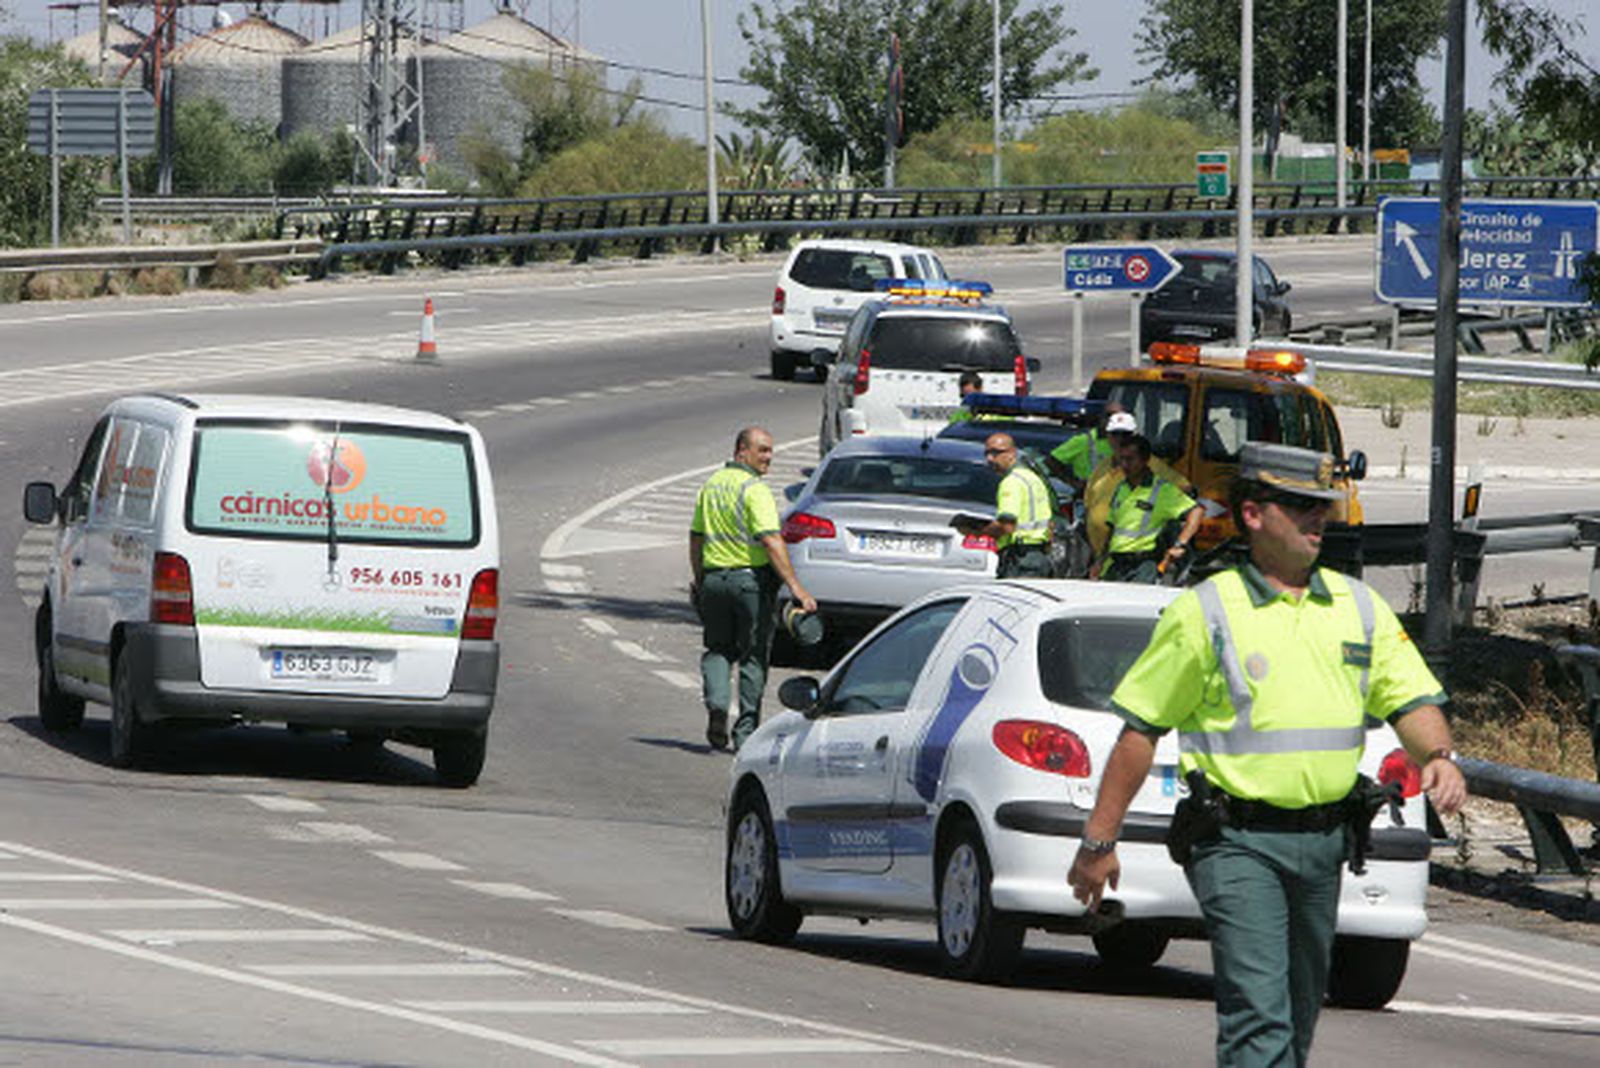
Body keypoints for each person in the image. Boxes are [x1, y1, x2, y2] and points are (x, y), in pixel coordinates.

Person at [1067, 441, 1468, 1068]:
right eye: (1301, 507)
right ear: (1253, 514)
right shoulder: (1208, 612)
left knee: (1299, 1009)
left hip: (1325, 842)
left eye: (1323, 508)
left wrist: (1438, 754)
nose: (1319, 520)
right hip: (1236, 842)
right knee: (1259, 1012)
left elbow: (1410, 698)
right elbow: (1140, 731)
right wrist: (1098, 843)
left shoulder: (1358, 607)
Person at [689, 427, 816, 752]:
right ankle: (745, 733)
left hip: (715, 580)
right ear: (741, 451)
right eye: (762, 450)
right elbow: (772, 541)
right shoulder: (754, 490)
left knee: (717, 650)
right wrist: (797, 588)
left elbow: (696, 538)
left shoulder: (712, 485)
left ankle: (717, 707)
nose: (768, 457)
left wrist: (701, 580)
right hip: (750, 585)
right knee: (753, 657)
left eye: (770, 450)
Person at [1092, 431, 1203, 582]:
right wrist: (1100, 562)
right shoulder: (1121, 488)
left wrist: (1180, 544)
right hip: (1117, 564)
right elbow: (1113, 530)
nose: (1124, 465)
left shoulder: (1161, 490)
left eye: (1130, 459)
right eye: (1122, 459)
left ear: (1145, 460)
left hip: (1143, 566)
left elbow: (1196, 511)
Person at [1081, 410, 1192, 560]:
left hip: (1138, 557)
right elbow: (1090, 502)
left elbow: (1185, 489)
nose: (1119, 439)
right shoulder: (1103, 466)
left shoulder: (1151, 465)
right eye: (1115, 434)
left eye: (1125, 434)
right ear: (1107, 436)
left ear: (1134, 435)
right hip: (1103, 554)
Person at [954, 432, 1053, 578]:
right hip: (1038, 557)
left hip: (1019, 559)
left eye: (996, 453)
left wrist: (975, 532)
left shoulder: (1011, 483)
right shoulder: (1032, 478)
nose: (990, 458)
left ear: (1012, 453)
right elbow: (1050, 524)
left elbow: (1006, 526)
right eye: (987, 453)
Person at [1046, 400, 1124, 496]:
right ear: (1101, 417)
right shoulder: (1085, 441)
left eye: (1118, 417)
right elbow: (1051, 461)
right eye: (1109, 416)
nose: (1112, 420)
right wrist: (1074, 483)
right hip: (1089, 499)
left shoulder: (1128, 442)